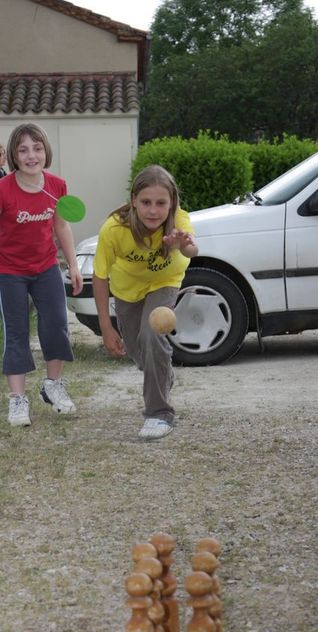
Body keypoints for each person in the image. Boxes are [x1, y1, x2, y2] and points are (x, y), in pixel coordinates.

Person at [0, 122, 83, 427]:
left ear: (45, 151)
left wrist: (72, 265)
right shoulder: (0, 190)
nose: (31, 155)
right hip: (8, 270)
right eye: (23, 149)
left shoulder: (57, 186)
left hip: (46, 266)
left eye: (37, 148)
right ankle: (18, 400)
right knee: (17, 331)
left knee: (57, 323)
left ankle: (53, 386)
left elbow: (61, 225)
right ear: (13, 155)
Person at [93, 164, 198, 440]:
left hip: (164, 282)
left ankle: (159, 413)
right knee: (138, 352)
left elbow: (192, 249)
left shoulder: (178, 220)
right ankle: (162, 375)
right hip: (126, 291)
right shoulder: (114, 229)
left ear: (172, 203)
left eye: (161, 203)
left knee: (153, 337)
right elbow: (100, 277)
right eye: (146, 202)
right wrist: (106, 326)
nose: (154, 210)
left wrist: (182, 241)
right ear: (134, 202)